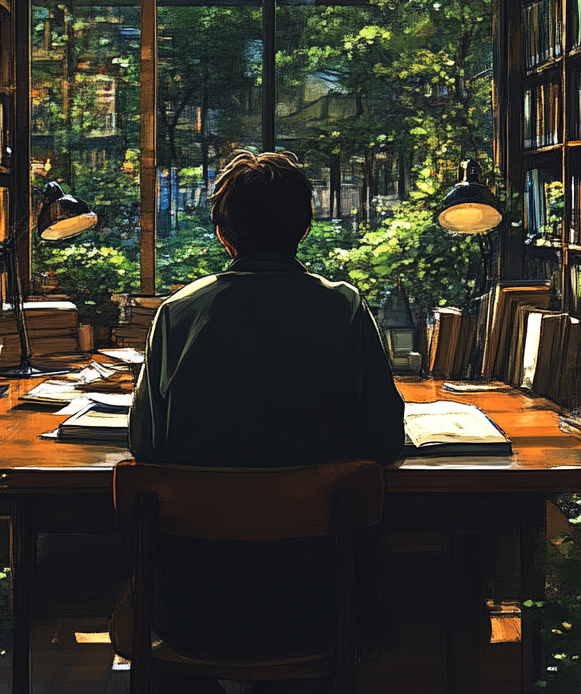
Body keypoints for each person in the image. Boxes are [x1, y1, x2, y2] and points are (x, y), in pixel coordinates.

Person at [126, 150, 404, 682]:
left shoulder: (177, 313)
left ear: (221, 234)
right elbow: (382, 442)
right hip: (323, 605)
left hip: (191, 606)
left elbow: (148, 448)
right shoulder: (344, 308)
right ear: (305, 227)